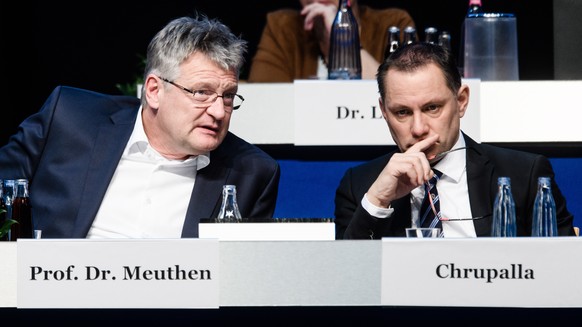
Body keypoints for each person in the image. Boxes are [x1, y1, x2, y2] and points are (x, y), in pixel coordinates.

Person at [0, 15, 281, 238]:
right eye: (201, 92)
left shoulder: (252, 174)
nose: (219, 111)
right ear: (154, 91)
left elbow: (243, 281)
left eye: (228, 96)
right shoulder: (68, 119)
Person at [334, 42, 576, 239]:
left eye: (432, 108)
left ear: (461, 101)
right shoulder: (360, 186)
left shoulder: (524, 174)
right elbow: (347, 282)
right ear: (384, 112)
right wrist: (378, 200)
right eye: (402, 112)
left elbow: (562, 275)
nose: (418, 129)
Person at [247, 0, 416, 82]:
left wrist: (344, 39)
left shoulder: (394, 24)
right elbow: (265, 99)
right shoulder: (282, 26)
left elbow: (404, 93)